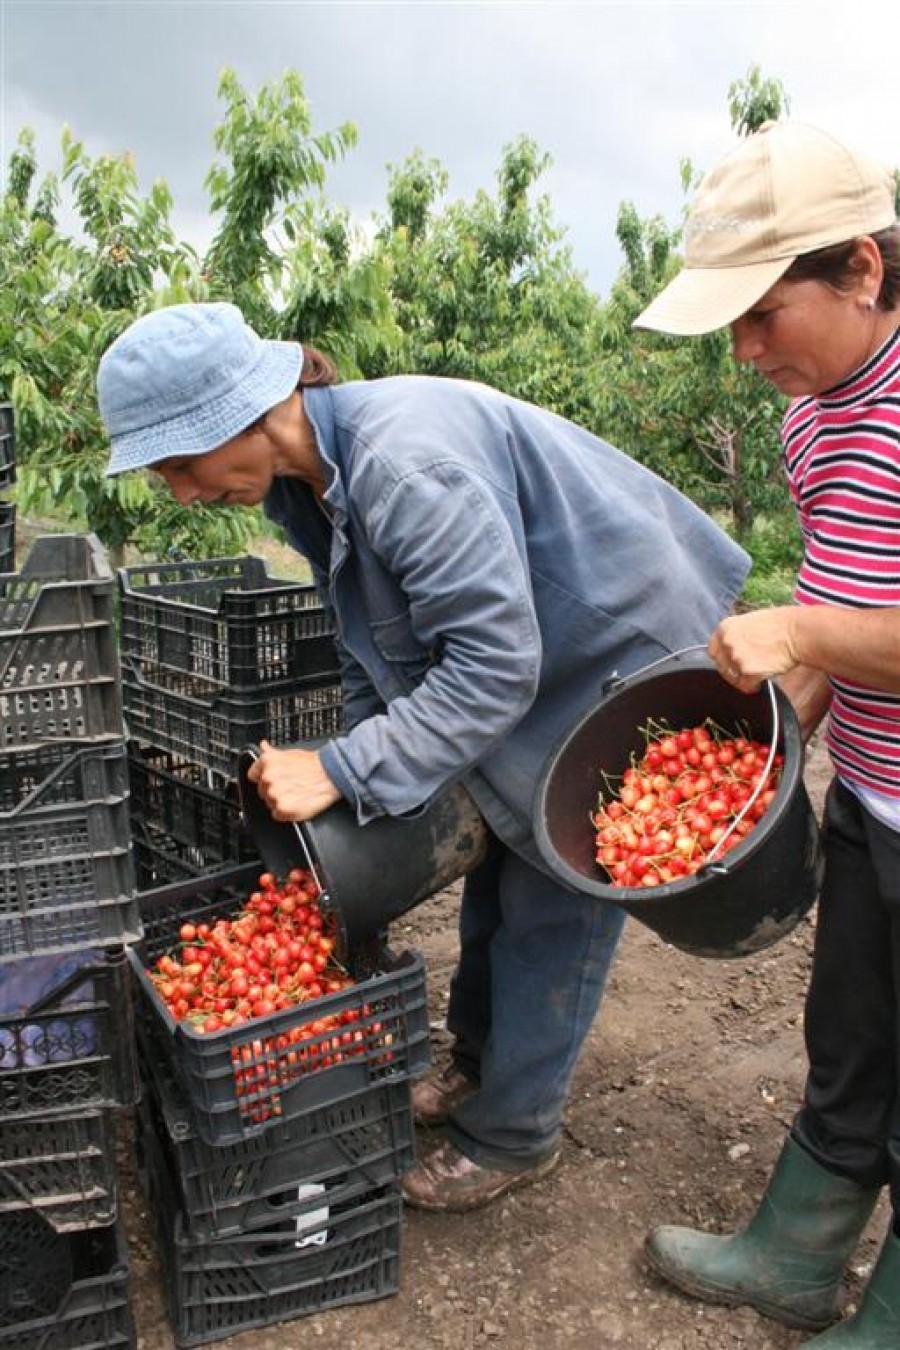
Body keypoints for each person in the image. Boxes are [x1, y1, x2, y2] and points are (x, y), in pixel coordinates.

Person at [97, 300, 749, 1212]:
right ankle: (477, 1065)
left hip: (617, 652)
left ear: (235, 417)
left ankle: (516, 1134)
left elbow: (493, 667)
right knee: (497, 870)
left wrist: (342, 769)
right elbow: (376, 640)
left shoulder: (405, 467)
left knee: (552, 890)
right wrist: (360, 754)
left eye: (179, 463)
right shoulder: (306, 484)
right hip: (538, 656)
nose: (182, 492)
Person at [634, 120, 900, 1345]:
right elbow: (853, 602)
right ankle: (793, 1257)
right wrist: (766, 745)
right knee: (848, 1040)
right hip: (876, 802)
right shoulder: (812, 422)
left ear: (861, 267)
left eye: (759, 314)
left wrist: (796, 635)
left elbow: (825, 621)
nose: (743, 351)